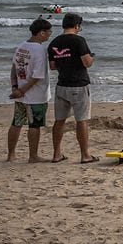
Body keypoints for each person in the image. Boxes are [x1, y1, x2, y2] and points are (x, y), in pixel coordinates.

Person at [48, 13, 97, 164]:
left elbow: (52, 66)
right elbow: (87, 63)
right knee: (81, 120)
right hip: (79, 84)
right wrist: (92, 57)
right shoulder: (79, 41)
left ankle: (56, 154)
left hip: (62, 84)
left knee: (59, 121)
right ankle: (85, 155)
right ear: (77, 26)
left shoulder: (54, 43)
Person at [7, 18, 53, 163]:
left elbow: (14, 68)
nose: (50, 35)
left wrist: (15, 88)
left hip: (21, 93)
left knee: (17, 123)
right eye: (48, 32)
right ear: (41, 33)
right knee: (35, 125)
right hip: (35, 95)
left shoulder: (21, 46)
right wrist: (22, 90)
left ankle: (11, 154)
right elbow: (37, 76)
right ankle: (33, 156)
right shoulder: (39, 50)